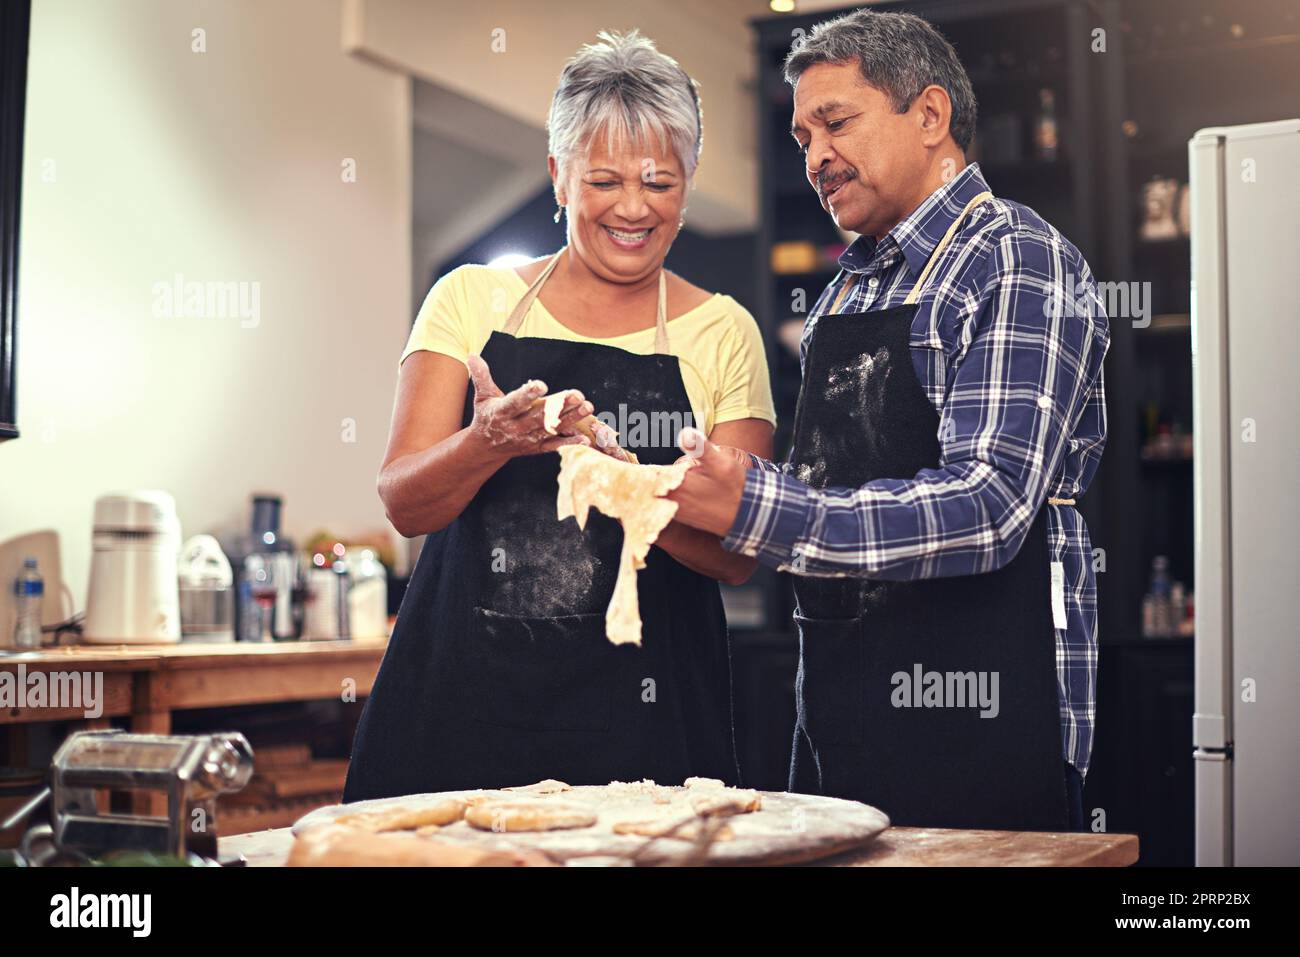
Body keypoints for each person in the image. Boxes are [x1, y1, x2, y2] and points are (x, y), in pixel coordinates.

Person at [666, 8, 1108, 832]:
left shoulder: (1016, 257)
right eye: (802, 138)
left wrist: (760, 507)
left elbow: (991, 506)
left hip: (984, 722)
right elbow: (825, 490)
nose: (817, 157)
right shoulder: (845, 290)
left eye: (836, 122)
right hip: (838, 724)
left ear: (931, 115)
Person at [343, 30, 775, 801]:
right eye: (604, 179)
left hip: (646, 732)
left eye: (661, 182)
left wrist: (619, 482)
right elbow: (404, 502)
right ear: (558, 176)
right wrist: (488, 442)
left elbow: (739, 552)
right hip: (457, 721)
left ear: (691, 181)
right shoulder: (470, 299)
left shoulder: (724, 330)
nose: (634, 208)